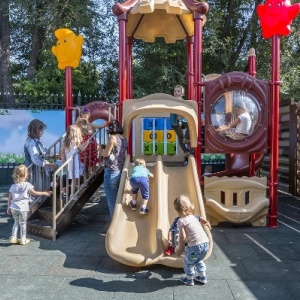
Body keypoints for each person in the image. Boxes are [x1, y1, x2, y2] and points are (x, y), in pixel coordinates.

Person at [7, 165, 52, 245]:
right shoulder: (27, 185)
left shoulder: (13, 186)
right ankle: (23, 239)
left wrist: (8, 208)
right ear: (25, 175)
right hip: (23, 207)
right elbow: (35, 193)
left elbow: (9, 198)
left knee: (16, 222)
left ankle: (13, 237)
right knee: (23, 223)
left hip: (13, 207)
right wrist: (45, 193)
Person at [174, 194, 211, 286]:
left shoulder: (181, 221)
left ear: (177, 210)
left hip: (195, 247)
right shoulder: (194, 217)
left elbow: (182, 238)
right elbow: (201, 222)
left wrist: (179, 249)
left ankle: (189, 280)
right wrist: (207, 223)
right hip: (206, 244)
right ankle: (202, 277)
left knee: (189, 262)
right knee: (199, 260)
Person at [99, 120, 127, 218]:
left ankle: (114, 224)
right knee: (118, 199)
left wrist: (100, 149)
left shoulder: (112, 137)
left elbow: (106, 154)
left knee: (112, 201)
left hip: (111, 171)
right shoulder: (123, 139)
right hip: (120, 170)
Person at [24, 119, 57, 190]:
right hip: (33, 171)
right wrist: (49, 164)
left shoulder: (37, 140)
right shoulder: (31, 142)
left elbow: (41, 155)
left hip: (39, 170)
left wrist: (51, 156)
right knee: (35, 191)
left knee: (42, 189)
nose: (43, 132)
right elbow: (35, 159)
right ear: (35, 130)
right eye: (41, 130)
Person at [60, 125, 87, 200]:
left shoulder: (65, 142)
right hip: (75, 163)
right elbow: (83, 149)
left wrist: (63, 162)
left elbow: (62, 152)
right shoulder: (76, 141)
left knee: (70, 178)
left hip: (68, 163)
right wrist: (87, 143)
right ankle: (72, 195)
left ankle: (66, 193)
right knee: (74, 179)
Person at [169, 85, 190, 157]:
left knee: (189, 127)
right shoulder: (172, 101)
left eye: (178, 91)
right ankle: (186, 150)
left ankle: (187, 138)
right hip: (175, 122)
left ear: (182, 93)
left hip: (183, 120)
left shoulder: (184, 102)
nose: (176, 93)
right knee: (180, 136)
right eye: (174, 91)